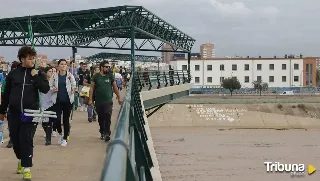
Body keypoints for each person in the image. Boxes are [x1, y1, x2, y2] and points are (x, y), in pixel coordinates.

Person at [0, 46, 50, 181]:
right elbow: (6, 93)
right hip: (14, 113)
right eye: (30, 58)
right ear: (22, 59)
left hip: (30, 113)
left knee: (26, 139)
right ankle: (21, 160)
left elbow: (45, 89)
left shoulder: (38, 73)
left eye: (34, 58)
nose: (32, 61)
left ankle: (27, 169)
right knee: (15, 140)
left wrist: (36, 77)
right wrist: (2, 110)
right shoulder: (13, 74)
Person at [88, 60, 122, 142]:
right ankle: (102, 131)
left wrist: (119, 97)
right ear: (101, 67)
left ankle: (107, 133)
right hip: (99, 101)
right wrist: (90, 99)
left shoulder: (110, 76)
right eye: (106, 67)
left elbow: (115, 87)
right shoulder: (96, 77)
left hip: (108, 101)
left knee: (107, 116)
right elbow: (91, 88)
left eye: (109, 67)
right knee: (100, 118)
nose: (108, 68)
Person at [50, 59, 77, 147]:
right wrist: (53, 89)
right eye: (61, 64)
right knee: (57, 120)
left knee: (66, 120)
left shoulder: (70, 76)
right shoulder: (54, 76)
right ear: (58, 66)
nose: (63, 66)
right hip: (57, 101)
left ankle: (65, 138)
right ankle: (60, 134)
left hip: (68, 101)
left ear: (67, 66)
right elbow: (50, 86)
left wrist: (74, 89)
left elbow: (74, 85)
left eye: (65, 64)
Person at [1, 61, 19, 148]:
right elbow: (4, 92)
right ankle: (12, 140)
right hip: (10, 104)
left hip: (21, 104)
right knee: (11, 123)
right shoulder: (7, 79)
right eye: (14, 69)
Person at [40, 67, 55, 146]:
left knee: (49, 122)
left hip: (51, 103)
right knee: (43, 123)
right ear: (46, 73)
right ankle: (48, 133)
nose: (51, 72)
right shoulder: (42, 82)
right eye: (49, 71)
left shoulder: (54, 81)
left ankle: (48, 139)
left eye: (52, 71)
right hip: (42, 104)